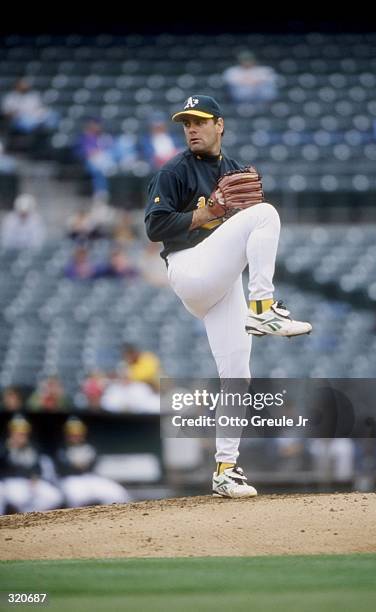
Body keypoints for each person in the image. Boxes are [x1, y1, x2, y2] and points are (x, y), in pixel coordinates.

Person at [144, 95, 312, 498]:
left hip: (221, 280)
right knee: (267, 213)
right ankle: (263, 307)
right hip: (189, 267)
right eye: (186, 123)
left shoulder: (237, 170)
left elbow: (247, 233)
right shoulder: (174, 171)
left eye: (199, 121)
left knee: (238, 373)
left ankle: (225, 468)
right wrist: (204, 215)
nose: (191, 129)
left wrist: (230, 217)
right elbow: (154, 226)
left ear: (220, 125)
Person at [54, 417, 129, 508]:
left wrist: (85, 465)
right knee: (77, 497)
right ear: (66, 435)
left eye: (78, 435)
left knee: (116, 493)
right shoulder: (61, 449)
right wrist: (74, 466)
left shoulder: (89, 447)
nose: (75, 437)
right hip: (70, 479)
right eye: (72, 435)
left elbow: (94, 464)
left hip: (90, 477)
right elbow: (61, 468)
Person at [0, 415, 63, 514]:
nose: (21, 435)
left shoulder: (32, 447)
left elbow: (38, 466)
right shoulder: (4, 446)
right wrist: (9, 448)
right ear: (11, 432)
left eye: (23, 433)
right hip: (10, 481)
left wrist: (35, 476)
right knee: (19, 498)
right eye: (18, 432)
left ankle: (27, 516)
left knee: (54, 497)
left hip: (29, 481)